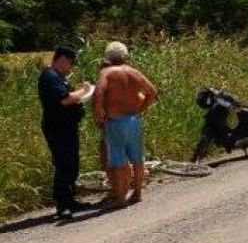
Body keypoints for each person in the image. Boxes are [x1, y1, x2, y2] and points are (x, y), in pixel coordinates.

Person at [93, 42, 158, 207]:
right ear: (125, 55)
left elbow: (98, 93)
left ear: (108, 56)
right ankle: (137, 193)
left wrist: (98, 115)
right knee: (138, 159)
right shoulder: (133, 72)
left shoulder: (106, 72)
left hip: (115, 121)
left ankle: (120, 198)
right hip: (134, 120)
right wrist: (141, 109)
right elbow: (152, 92)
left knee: (119, 159)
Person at [38, 46, 92, 219]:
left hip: (67, 128)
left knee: (72, 164)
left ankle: (71, 200)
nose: (72, 66)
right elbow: (64, 99)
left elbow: (69, 97)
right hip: (57, 128)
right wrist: (84, 91)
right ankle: (63, 206)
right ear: (62, 59)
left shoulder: (60, 77)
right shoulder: (50, 76)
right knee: (63, 165)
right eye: (71, 62)